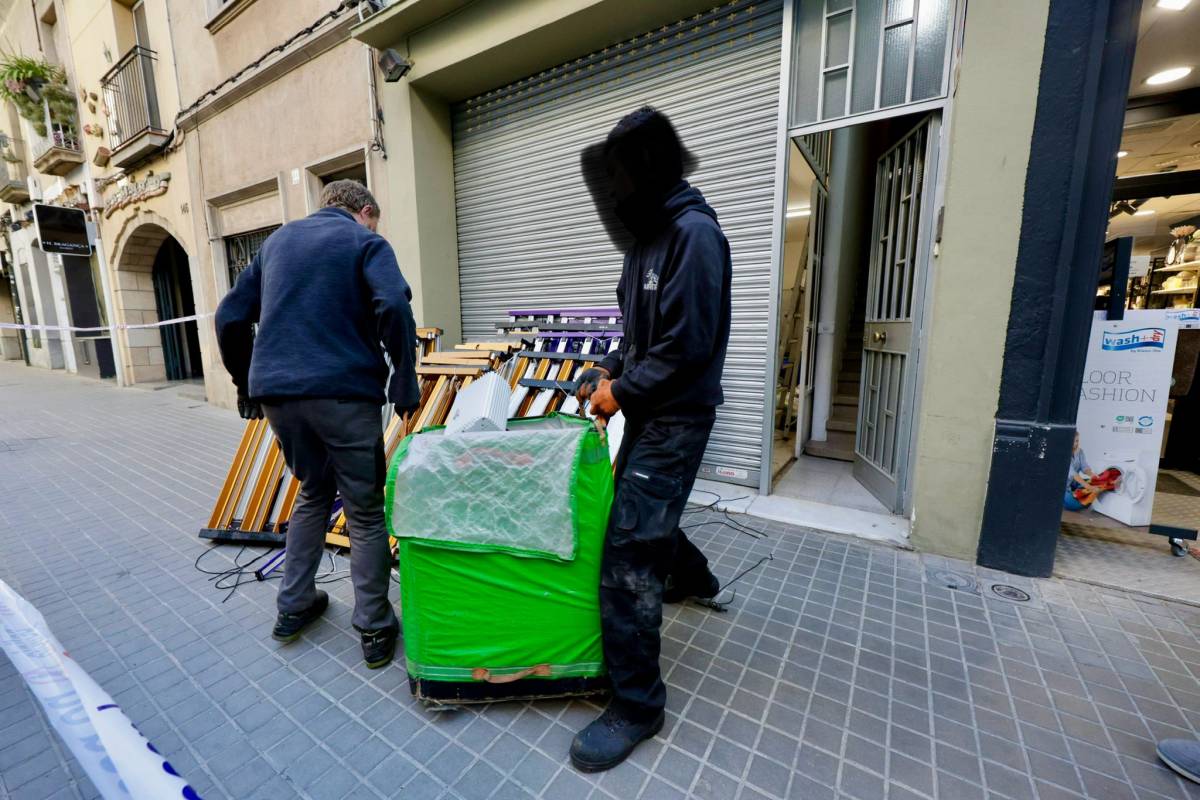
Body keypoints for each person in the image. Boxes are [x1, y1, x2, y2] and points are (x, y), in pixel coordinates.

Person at [570, 107, 730, 772]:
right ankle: (695, 579)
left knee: (629, 552)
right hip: (649, 411)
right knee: (641, 515)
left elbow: (686, 348)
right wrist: (608, 367)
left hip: (679, 415)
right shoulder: (645, 239)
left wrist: (622, 393)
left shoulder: (695, 235)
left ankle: (638, 704)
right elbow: (638, 334)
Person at [215, 180, 419, 669]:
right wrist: (404, 379)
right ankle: (373, 625)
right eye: (376, 219)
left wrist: (247, 383)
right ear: (364, 211)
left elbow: (228, 316)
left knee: (312, 490)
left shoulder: (277, 242)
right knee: (365, 510)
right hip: (344, 392)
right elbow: (392, 304)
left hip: (280, 396)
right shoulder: (364, 240)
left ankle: (293, 606)